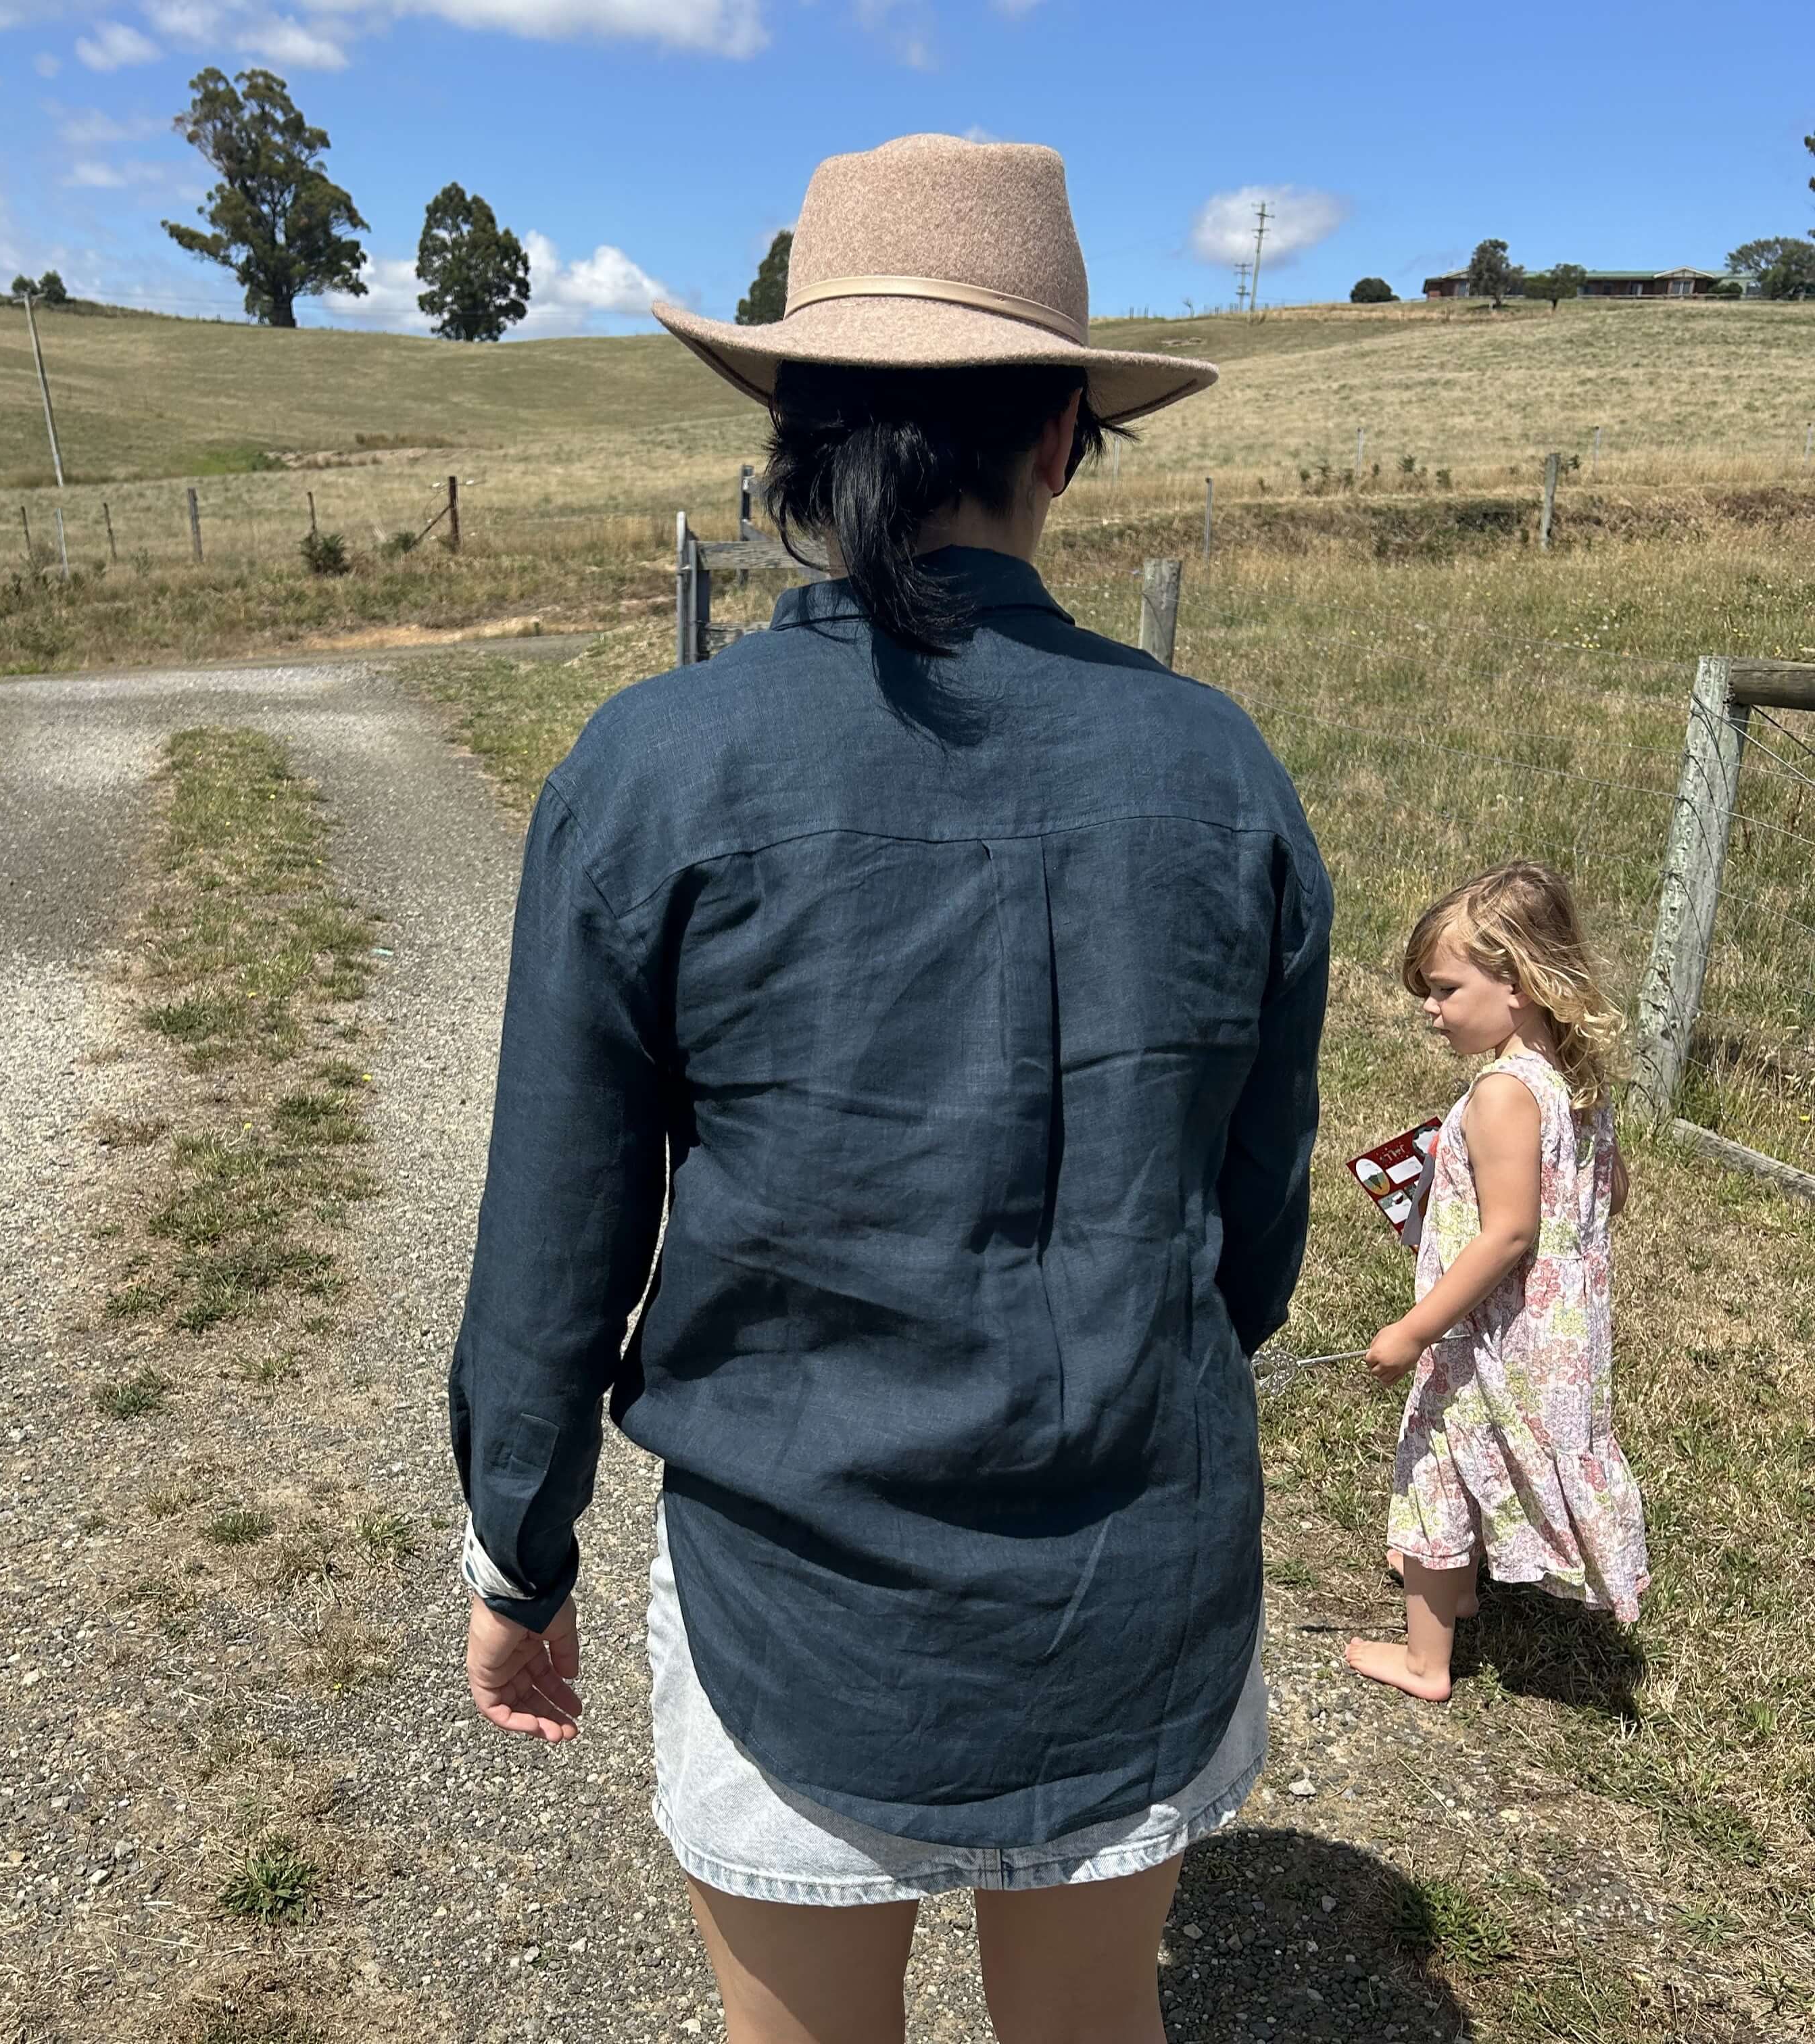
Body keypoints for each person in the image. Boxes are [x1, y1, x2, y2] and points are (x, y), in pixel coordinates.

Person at [450, 133, 1331, 2044]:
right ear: (1065, 441)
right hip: (1135, 1598)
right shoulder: (1220, 772)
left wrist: (520, 1549)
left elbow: (555, 1232)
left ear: (795, 440)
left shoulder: (651, 771)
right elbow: (1249, 1238)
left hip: (797, 1608)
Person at [1347, 862, 1650, 1704]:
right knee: (1494, 1450)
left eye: (1444, 990)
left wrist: (1414, 1330)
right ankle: (1460, 1581)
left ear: (1516, 981)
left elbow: (1509, 1231)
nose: (1431, 1010)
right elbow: (1610, 1193)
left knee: (1436, 1461)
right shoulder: (1575, 1079)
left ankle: (1425, 1660)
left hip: (1487, 1329)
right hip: (1556, 1332)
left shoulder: (1501, 1094)